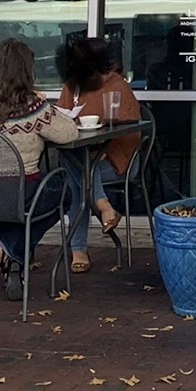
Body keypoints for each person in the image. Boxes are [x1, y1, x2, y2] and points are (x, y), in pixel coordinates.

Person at [0, 37, 79, 296]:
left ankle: (13, 264)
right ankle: (6, 252)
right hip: (18, 193)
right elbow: (69, 133)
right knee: (64, 191)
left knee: (2, 198)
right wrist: (43, 103)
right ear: (26, 72)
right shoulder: (31, 106)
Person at [56, 32, 141, 273]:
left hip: (116, 161)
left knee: (78, 178)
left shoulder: (117, 86)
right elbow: (58, 121)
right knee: (77, 167)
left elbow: (132, 132)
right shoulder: (72, 87)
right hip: (85, 159)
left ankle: (78, 249)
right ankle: (104, 206)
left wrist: (104, 150)